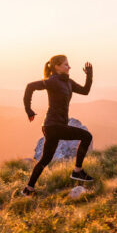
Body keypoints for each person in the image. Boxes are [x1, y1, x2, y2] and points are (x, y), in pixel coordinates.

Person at [21, 55, 94, 196]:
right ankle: (77, 171)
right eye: (66, 64)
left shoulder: (68, 82)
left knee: (45, 159)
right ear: (57, 67)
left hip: (54, 126)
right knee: (86, 136)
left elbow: (85, 91)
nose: (69, 67)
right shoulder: (52, 81)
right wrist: (28, 109)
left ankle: (28, 189)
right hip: (53, 126)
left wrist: (89, 75)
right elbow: (30, 87)